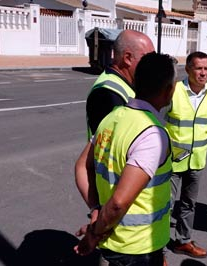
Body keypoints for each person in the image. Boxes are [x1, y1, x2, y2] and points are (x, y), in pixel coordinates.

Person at [73, 52, 177, 266]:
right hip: (138, 247)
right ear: (169, 91)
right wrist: (93, 233)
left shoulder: (112, 118)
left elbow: (82, 166)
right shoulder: (152, 134)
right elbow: (118, 203)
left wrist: (95, 209)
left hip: (117, 244)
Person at [164, 51, 207, 258]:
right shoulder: (174, 90)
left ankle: (183, 241)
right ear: (188, 70)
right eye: (198, 68)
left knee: (188, 204)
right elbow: (160, 121)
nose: (203, 73)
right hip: (173, 160)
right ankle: (157, 249)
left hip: (197, 159)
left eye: (206, 68)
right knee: (165, 206)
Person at [85, 30, 155, 139]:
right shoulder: (106, 94)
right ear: (127, 58)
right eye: (147, 58)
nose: (152, 64)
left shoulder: (129, 83)